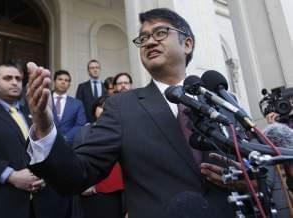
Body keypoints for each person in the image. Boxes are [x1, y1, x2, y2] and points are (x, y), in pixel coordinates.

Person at [26, 8, 235, 218]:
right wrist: (44, 127)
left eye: (160, 33)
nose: (149, 42)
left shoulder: (221, 101)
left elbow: (254, 162)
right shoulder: (122, 107)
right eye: (143, 38)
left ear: (187, 44)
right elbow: (76, 174)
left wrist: (250, 181)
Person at [0, 63, 71, 218]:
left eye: (18, 78)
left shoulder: (33, 112)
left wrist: (45, 174)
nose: (15, 82)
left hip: (42, 203)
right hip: (4, 200)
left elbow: (47, 148)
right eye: (8, 78)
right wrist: (9, 175)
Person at [73, 95, 125, 218]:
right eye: (101, 107)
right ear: (94, 109)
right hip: (89, 191)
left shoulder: (123, 130)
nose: (104, 110)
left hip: (117, 192)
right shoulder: (83, 131)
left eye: (108, 107)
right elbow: (77, 159)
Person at [52, 70, 87, 145]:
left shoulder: (77, 104)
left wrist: (66, 137)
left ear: (69, 84)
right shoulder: (44, 100)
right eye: (60, 79)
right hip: (45, 144)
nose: (63, 82)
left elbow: (80, 124)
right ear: (54, 81)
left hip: (68, 144)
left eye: (66, 80)